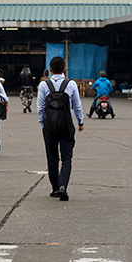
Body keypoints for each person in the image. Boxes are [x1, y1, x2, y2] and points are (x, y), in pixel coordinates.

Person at [37, 56, 84, 201]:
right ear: (64, 69)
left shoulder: (45, 85)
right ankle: (64, 186)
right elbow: (77, 105)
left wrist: (43, 124)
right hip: (66, 125)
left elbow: (40, 107)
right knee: (66, 157)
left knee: (52, 158)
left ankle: (55, 188)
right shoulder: (70, 84)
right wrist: (80, 121)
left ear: (50, 70)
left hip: (49, 126)